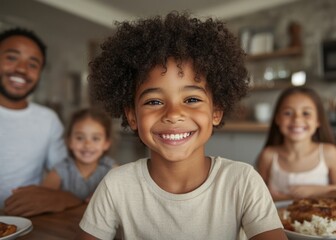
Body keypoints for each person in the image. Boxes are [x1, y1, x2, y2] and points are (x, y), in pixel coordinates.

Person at [77, 11, 287, 240]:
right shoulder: (116, 185)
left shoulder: (243, 181)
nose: (174, 114)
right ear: (132, 116)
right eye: (154, 101)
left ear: (216, 111)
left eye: (192, 99)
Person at [0, 28, 82, 216]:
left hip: (22, 225)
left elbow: (71, 180)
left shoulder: (48, 120)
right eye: (12, 58)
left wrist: (61, 197)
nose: (21, 69)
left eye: (33, 64)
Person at [256, 86, 336, 201]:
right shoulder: (268, 156)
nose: (297, 119)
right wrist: (281, 197)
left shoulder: (329, 154)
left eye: (306, 113)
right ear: (277, 119)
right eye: (288, 113)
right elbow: (257, 195)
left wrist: (317, 190)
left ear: (318, 120)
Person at [41, 108, 117, 202]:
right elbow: (42, 199)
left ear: (106, 143)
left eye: (95, 138)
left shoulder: (113, 170)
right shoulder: (60, 171)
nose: (87, 145)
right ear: (69, 141)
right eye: (80, 138)